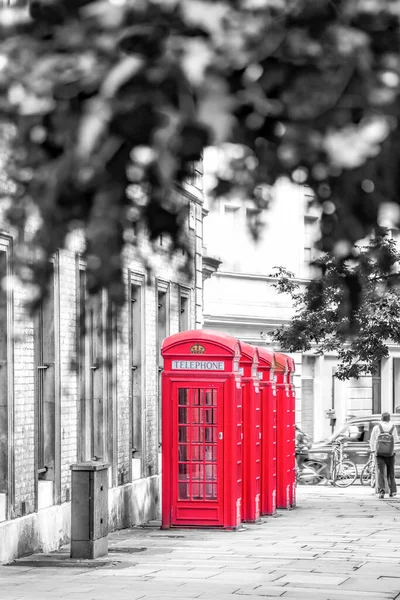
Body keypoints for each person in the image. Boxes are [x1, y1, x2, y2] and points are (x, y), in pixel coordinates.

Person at [370, 412, 399, 499]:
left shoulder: (377, 427)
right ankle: (393, 491)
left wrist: (373, 450)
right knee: (391, 472)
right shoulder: (393, 427)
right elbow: (396, 440)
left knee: (380, 472)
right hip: (390, 453)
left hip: (379, 454)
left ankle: (381, 491)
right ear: (389, 418)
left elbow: (372, 440)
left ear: (381, 418)